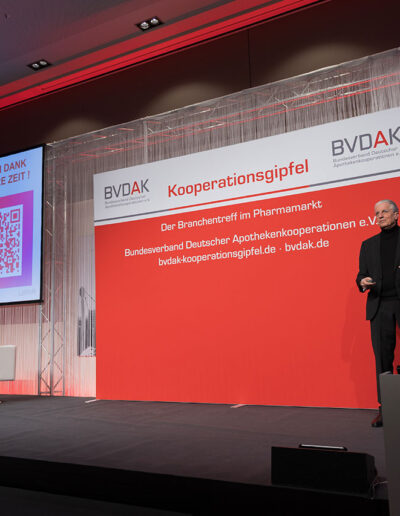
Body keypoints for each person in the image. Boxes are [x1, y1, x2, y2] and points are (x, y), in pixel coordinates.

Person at [356, 199, 400, 427]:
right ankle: (387, 409)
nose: (380, 216)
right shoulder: (368, 245)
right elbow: (360, 274)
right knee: (383, 359)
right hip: (379, 305)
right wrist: (362, 281)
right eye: (377, 213)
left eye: (384, 212)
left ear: (396, 214)